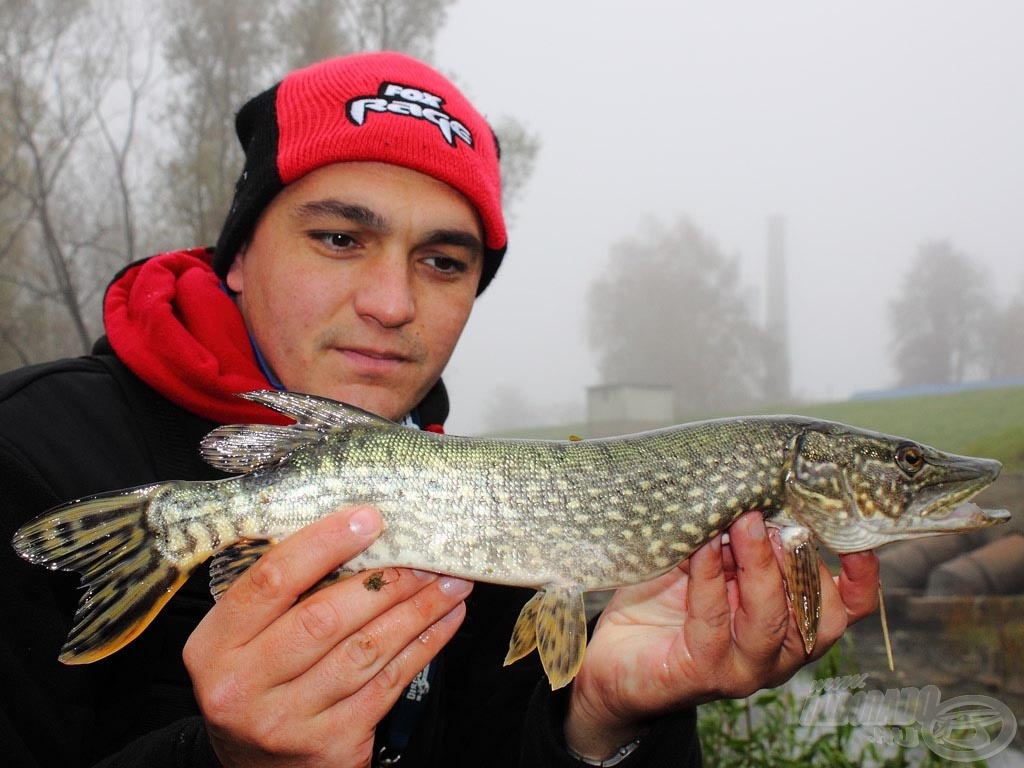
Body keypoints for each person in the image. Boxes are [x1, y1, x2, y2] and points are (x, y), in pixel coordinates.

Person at [0, 51, 880, 767]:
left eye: (444, 262)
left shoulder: (485, 518)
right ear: (237, 254)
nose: (391, 301)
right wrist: (221, 761)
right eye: (340, 238)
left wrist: (606, 723)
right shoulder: (26, 449)